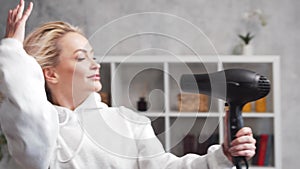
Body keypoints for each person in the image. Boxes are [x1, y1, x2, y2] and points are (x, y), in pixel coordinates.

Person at [0, 0, 256, 169]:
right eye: (81, 57)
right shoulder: (43, 132)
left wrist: (222, 156)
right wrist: (12, 48)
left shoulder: (128, 122)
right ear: (50, 74)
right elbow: (28, 107)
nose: (95, 64)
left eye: (93, 56)